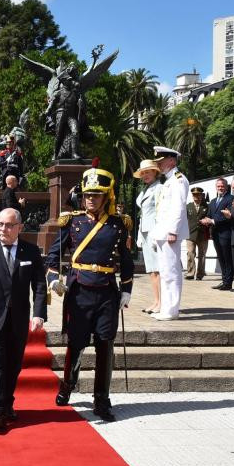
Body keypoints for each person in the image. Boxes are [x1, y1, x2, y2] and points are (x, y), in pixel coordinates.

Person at [46, 167, 134, 421]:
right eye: (87, 195)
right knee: (76, 343)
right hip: (79, 291)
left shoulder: (119, 224)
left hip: (107, 292)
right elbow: (54, 255)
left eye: (96, 195)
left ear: (107, 197)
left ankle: (102, 399)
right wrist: (54, 279)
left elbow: (126, 261)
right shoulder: (71, 222)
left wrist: (126, 289)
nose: (91, 199)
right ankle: (68, 385)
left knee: (105, 345)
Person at [0, 208, 47, 431]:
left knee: (13, 365)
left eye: (9, 225)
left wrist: (39, 314)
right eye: (0, 224)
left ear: (20, 228)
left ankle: (8, 403)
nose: (4, 229)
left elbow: (39, 286)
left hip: (19, 320)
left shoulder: (31, 252)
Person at [150, 146, 189, 320]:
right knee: (165, 271)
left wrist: (173, 230)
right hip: (163, 232)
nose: (158, 164)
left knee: (171, 271)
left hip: (170, 233)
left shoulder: (179, 180)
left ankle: (171, 310)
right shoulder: (169, 180)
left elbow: (178, 207)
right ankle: (166, 308)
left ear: (171, 161)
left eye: (161, 161)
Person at [133, 159, 161, 313]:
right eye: (143, 173)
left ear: (155, 172)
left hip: (153, 232)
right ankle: (156, 301)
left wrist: (157, 234)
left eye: (148, 172)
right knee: (151, 270)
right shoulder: (146, 189)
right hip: (144, 231)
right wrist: (139, 235)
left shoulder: (159, 188)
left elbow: (159, 213)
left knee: (157, 269)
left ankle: (161, 302)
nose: (145, 175)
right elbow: (143, 214)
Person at [202, 178, 234, 289]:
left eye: (222, 186)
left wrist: (213, 221)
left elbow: (228, 217)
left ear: (226, 187)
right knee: (221, 257)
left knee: (227, 258)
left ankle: (228, 282)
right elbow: (210, 215)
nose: (220, 188)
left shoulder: (231, 199)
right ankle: (224, 280)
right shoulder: (213, 201)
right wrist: (206, 220)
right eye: (218, 186)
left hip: (226, 233)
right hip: (215, 233)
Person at [185, 186, 208, 280]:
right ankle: (190, 273)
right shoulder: (188, 206)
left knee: (202, 255)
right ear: (192, 196)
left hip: (203, 234)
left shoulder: (206, 206)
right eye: (194, 195)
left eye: (198, 195)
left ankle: (200, 274)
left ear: (201, 195)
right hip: (190, 233)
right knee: (190, 253)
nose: (196, 197)